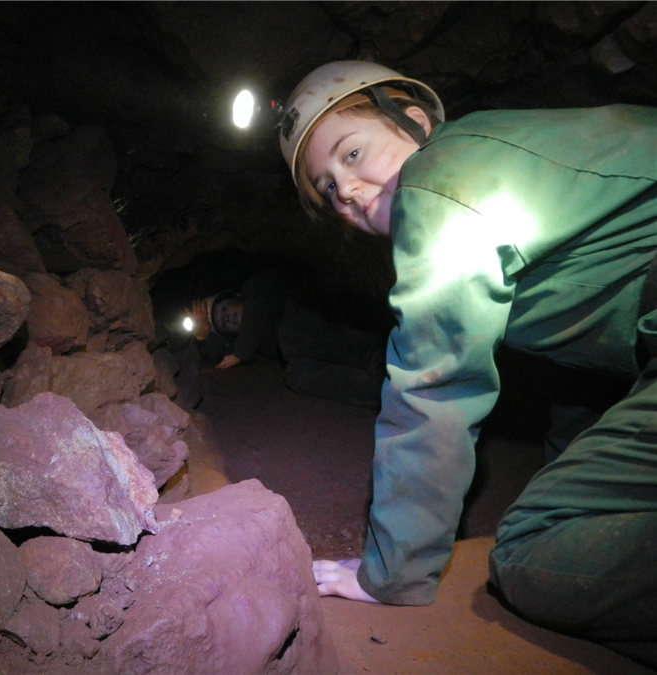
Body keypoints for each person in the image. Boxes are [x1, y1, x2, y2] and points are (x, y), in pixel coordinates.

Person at [277, 60, 657, 662]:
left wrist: (392, 572)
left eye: (351, 153)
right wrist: (576, 474)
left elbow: (435, 385)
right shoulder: (501, 161)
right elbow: (582, 371)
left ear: (415, 121)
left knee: (535, 553)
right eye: (328, 187)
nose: (344, 190)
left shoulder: (440, 183)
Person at [189, 269, 388, 410]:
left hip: (318, 318)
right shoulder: (250, 343)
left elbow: (259, 302)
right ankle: (376, 391)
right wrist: (202, 336)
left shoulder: (255, 288)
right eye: (223, 323)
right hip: (296, 352)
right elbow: (215, 354)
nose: (228, 317)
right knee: (295, 378)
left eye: (224, 308)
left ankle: (378, 356)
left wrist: (241, 352)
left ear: (235, 296)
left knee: (290, 334)